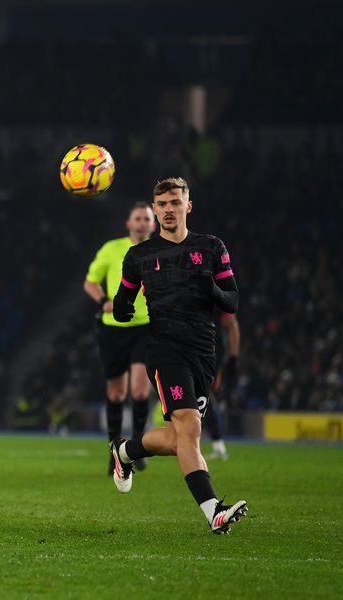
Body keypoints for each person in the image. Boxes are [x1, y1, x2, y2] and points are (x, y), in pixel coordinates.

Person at [110, 177, 248, 534]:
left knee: (180, 438)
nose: (168, 209)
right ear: (154, 211)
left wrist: (214, 290)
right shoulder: (139, 255)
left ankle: (125, 451)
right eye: (162, 204)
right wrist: (123, 310)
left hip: (203, 351)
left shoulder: (212, 247)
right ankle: (213, 510)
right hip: (164, 349)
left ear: (188, 206)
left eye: (175, 202)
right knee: (188, 424)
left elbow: (232, 300)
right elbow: (124, 301)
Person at [83, 202, 155, 475]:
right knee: (116, 392)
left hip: (146, 326)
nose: (142, 223)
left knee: (139, 390)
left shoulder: (159, 250)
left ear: (153, 224)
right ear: (128, 223)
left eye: (146, 219)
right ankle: (115, 452)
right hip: (113, 327)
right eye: (137, 218)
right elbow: (90, 281)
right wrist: (103, 300)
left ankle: (136, 449)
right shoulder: (112, 249)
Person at [203, 312, 240, 460]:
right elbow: (232, 325)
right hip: (203, 350)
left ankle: (218, 445)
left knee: (204, 395)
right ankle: (217, 445)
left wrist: (233, 358)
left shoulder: (217, 295)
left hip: (210, 352)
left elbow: (232, 324)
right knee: (204, 396)